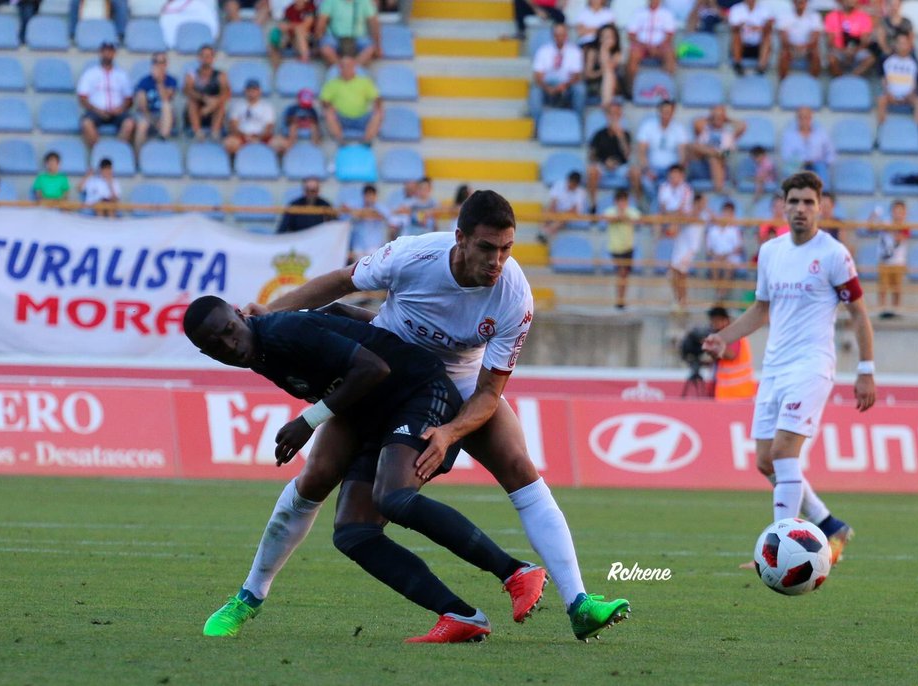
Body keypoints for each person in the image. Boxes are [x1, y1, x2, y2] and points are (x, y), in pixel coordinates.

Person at [237, 190, 632, 642]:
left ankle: (578, 602)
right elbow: (342, 281)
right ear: (459, 239)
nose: (497, 261)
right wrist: (273, 312)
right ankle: (250, 595)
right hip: (381, 372)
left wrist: (449, 432)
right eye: (487, 248)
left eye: (506, 249)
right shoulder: (412, 255)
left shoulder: (515, 296)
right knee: (319, 479)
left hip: (456, 386)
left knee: (519, 466)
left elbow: (488, 391)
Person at [189, 297, 547, 644]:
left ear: (239, 315)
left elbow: (374, 368)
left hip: (421, 392)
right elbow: (340, 332)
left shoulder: (283, 331)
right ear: (206, 355)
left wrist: (309, 420)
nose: (229, 344)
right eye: (216, 344)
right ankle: (459, 615)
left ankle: (515, 571)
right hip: (376, 414)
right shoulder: (259, 350)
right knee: (353, 531)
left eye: (229, 330)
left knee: (392, 497)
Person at [704, 170, 873, 566]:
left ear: (821, 207)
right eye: (794, 201)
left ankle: (779, 552)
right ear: (783, 206)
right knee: (765, 461)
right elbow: (761, 308)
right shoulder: (771, 252)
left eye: (808, 202)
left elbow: (860, 314)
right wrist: (725, 337)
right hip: (775, 367)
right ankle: (830, 525)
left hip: (812, 366)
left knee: (783, 451)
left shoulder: (833, 254)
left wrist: (865, 369)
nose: (800, 209)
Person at [77, 41, 135, 148]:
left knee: (129, 123)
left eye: (110, 51)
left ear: (114, 54)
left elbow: (129, 99)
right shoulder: (90, 73)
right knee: (86, 123)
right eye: (105, 51)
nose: (107, 54)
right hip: (96, 111)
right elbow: (83, 98)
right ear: (100, 53)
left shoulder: (122, 75)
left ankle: (118, 152)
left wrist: (120, 109)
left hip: (117, 111)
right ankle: (99, 153)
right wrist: (98, 110)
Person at [658, 166, 698, 312]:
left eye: (677, 175)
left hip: (686, 235)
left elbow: (682, 211)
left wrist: (673, 217)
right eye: (672, 175)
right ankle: (679, 300)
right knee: (673, 271)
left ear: (682, 176)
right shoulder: (664, 188)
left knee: (680, 270)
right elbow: (664, 209)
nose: (674, 178)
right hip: (674, 233)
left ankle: (682, 301)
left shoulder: (686, 189)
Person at [320, 52, 382, 145]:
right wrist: (330, 106)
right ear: (339, 68)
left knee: (378, 113)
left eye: (348, 66)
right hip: (341, 119)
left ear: (354, 67)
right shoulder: (332, 84)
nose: (345, 68)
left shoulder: (364, 82)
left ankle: (367, 140)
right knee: (328, 113)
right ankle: (340, 141)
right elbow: (324, 101)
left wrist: (377, 106)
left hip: (362, 118)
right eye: (342, 66)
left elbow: (377, 98)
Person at [636, 99, 690, 202]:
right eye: (664, 112)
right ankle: (653, 205)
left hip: (671, 170)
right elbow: (641, 152)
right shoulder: (648, 126)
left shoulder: (679, 129)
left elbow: (682, 155)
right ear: (659, 112)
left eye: (669, 113)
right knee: (645, 181)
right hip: (652, 168)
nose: (666, 116)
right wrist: (647, 169)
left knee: (677, 183)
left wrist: (676, 172)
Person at [586, 100, 638, 205]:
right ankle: (593, 204)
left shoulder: (626, 134)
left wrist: (620, 137)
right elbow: (591, 156)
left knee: (636, 172)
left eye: (617, 114)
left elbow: (627, 155)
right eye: (612, 114)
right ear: (607, 115)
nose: (614, 117)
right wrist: (605, 162)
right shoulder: (599, 134)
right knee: (591, 171)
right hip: (603, 166)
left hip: (621, 167)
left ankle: (637, 204)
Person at [529, 22, 585, 120]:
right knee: (535, 91)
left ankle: (578, 121)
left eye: (562, 34)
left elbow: (576, 76)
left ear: (566, 35)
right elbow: (538, 76)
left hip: (567, 87)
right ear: (552, 35)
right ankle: (537, 126)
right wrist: (548, 88)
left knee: (580, 89)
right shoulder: (543, 51)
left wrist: (564, 85)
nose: (559, 37)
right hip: (548, 86)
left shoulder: (574, 51)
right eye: (557, 35)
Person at [689, 104, 745, 194]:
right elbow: (696, 123)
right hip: (703, 164)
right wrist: (713, 152)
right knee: (694, 146)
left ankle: (719, 188)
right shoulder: (705, 129)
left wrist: (728, 119)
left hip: (721, 163)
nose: (718, 118)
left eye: (720, 116)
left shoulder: (729, 132)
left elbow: (743, 125)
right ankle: (714, 154)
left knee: (715, 158)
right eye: (715, 115)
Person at [706, 306, 757, 400]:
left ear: (725, 320)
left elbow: (731, 355)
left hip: (739, 392)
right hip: (725, 393)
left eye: (716, 321)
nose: (714, 325)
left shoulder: (733, 334)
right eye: (712, 321)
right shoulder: (721, 336)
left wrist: (713, 346)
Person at [224, 78, 284, 157]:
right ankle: (239, 162)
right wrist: (245, 136)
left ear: (259, 91)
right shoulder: (237, 106)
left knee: (281, 144)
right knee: (229, 144)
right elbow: (233, 125)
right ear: (245, 91)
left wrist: (259, 138)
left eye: (254, 89)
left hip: (262, 137)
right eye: (249, 89)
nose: (252, 92)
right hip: (242, 136)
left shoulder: (267, 107)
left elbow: (269, 127)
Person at [184, 45, 231, 141]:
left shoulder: (220, 75)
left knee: (221, 103)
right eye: (203, 56)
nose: (206, 59)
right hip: (197, 112)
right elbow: (187, 90)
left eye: (209, 56)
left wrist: (213, 105)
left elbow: (227, 92)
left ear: (213, 58)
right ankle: (197, 132)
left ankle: (215, 132)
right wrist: (204, 98)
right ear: (199, 58)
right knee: (192, 102)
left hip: (213, 112)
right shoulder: (192, 74)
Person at [604, 188, 640, 310]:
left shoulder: (632, 211)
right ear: (616, 202)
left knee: (624, 275)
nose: (622, 204)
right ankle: (620, 300)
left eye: (624, 201)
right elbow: (608, 219)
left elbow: (637, 220)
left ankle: (621, 299)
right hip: (615, 248)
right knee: (621, 273)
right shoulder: (610, 211)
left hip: (628, 248)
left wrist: (623, 217)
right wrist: (620, 217)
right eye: (620, 201)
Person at [626, 0, 678, 85]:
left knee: (670, 54)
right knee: (633, 55)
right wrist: (645, 46)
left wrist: (657, 47)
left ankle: (665, 87)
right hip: (641, 46)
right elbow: (631, 35)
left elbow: (670, 35)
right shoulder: (638, 13)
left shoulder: (667, 13)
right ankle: (632, 88)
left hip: (660, 46)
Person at [133, 52, 178, 150]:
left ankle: (162, 138)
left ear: (166, 64)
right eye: (156, 62)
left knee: (166, 106)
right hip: (148, 115)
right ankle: (138, 158)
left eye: (162, 62)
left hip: (164, 116)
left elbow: (166, 98)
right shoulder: (144, 81)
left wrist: (159, 82)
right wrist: (152, 121)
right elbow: (142, 106)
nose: (159, 65)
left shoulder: (171, 81)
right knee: (142, 124)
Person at [876, 31, 918, 125]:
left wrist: (909, 95)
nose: (902, 46)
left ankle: (916, 129)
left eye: (905, 43)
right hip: (890, 95)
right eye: (899, 43)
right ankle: (881, 130)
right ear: (895, 45)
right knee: (881, 100)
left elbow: (915, 83)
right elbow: (884, 81)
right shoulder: (887, 61)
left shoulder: (914, 63)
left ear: (909, 46)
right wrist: (889, 94)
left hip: (908, 96)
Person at [316, 0, 382, 65]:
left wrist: (378, 46)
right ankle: (341, 69)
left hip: (358, 37)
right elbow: (321, 24)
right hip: (335, 37)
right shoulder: (330, 1)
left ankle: (353, 69)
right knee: (325, 49)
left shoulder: (365, 2)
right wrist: (318, 43)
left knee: (370, 49)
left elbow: (374, 24)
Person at [779, 106, 835, 183]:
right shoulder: (789, 135)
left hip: (817, 165)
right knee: (788, 171)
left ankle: (822, 192)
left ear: (811, 118)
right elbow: (785, 155)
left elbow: (830, 152)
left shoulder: (821, 134)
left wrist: (824, 163)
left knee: (822, 170)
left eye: (807, 117)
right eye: (801, 117)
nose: (804, 120)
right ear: (797, 119)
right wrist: (802, 161)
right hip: (797, 165)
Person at [706, 200, 745, 302]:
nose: (727, 215)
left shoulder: (735, 230)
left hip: (730, 258)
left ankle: (720, 294)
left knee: (728, 266)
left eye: (729, 213)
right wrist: (716, 255)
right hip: (716, 257)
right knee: (713, 265)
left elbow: (738, 248)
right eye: (725, 212)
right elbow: (709, 250)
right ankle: (719, 293)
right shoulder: (712, 230)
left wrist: (725, 255)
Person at [876, 199, 909, 318]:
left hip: (898, 262)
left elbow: (900, 238)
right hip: (884, 261)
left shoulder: (906, 226)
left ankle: (896, 309)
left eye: (901, 211)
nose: (898, 214)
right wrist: (874, 216)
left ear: (905, 213)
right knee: (883, 287)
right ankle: (882, 309)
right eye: (896, 211)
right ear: (891, 212)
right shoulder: (885, 222)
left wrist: (888, 228)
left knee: (897, 288)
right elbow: (870, 228)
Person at [347, 184, 396, 261]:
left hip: (375, 245)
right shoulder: (357, 206)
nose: (369, 198)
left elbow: (385, 217)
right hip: (359, 245)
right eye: (367, 195)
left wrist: (365, 214)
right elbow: (350, 215)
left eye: (371, 195)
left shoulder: (381, 208)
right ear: (364, 196)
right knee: (358, 269)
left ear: (375, 196)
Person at [824, 0, 874, 77]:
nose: (851, 1)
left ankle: (852, 77)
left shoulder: (864, 17)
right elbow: (830, 41)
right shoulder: (832, 16)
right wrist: (843, 51)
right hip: (839, 50)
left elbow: (865, 42)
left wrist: (854, 51)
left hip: (857, 50)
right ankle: (840, 78)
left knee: (870, 59)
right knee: (831, 59)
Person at [581, 23, 625, 107]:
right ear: (599, 37)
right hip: (595, 84)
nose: (606, 39)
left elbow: (609, 66)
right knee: (607, 74)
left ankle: (605, 105)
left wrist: (605, 50)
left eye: (609, 36)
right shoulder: (592, 51)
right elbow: (588, 74)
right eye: (604, 36)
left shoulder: (617, 53)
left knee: (609, 74)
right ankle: (606, 105)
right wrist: (601, 72)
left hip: (615, 86)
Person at [778, 0, 823, 79]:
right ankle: (784, 83)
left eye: (802, 1)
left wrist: (804, 47)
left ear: (806, 2)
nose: (800, 3)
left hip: (808, 49)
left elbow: (815, 38)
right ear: (793, 2)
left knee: (816, 55)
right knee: (783, 55)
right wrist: (794, 47)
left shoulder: (814, 16)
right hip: (790, 48)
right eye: (797, 1)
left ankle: (813, 82)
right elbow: (784, 39)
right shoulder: (784, 16)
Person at [728, 0, 773, 75]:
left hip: (758, 46)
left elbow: (769, 27)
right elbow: (733, 28)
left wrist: (759, 28)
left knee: (767, 37)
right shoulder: (736, 9)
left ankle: (761, 66)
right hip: (743, 46)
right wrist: (742, 26)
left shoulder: (765, 9)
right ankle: (738, 64)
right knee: (736, 35)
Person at [869, 0, 913, 76]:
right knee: (883, 57)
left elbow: (911, 39)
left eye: (896, 5)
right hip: (888, 49)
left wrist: (905, 50)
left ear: (900, 6)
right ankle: (883, 78)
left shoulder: (907, 21)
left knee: (913, 58)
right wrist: (887, 50)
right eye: (891, 5)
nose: (894, 7)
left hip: (903, 49)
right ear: (887, 6)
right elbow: (881, 40)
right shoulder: (883, 21)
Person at [541, 170, 587, 241]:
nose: (571, 185)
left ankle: (547, 231)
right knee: (547, 208)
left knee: (566, 216)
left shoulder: (580, 193)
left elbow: (574, 210)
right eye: (570, 182)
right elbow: (553, 202)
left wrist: (561, 214)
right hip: (557, 211)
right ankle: (544, 228)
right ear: (568, 180)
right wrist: (553, 212)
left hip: (567, 214)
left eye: (574, 184)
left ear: (577, 184)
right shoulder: (559, 184)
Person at [270, 0, 317, 67]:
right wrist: (283, 27)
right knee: (275, 36)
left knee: (299, 30)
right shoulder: (289, 9)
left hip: (309, 38)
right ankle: (276, 67)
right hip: (293, 38)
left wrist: (290, 26)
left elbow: (306, 25)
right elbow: (285, 24)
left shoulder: (310, 7)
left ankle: (305, 57)